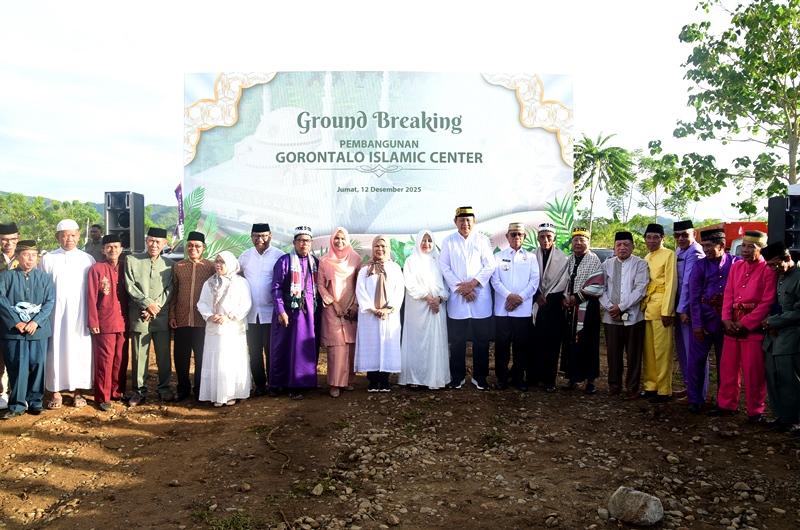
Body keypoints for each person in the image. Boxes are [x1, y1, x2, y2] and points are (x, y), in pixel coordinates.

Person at [709, 230, 776, 423]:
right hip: (731, 324)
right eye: (744, 246)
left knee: (754, 371)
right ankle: (726, 405)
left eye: (750, 247)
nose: (745, 250)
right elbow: (728, 294)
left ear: (761, 249)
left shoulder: (768, 270)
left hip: (753, 327)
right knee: (728, 367)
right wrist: (726, 319)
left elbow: (767, 301)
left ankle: (755, 410)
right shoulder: (736, 266)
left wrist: (745, 323)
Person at [37, 219, 95, 408]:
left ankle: (78, 392)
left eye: (72, 235)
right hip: (56, 315)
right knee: (56, 350)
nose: (69, 239)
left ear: (78, 235)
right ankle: (56, 392)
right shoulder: (48, 259)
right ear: (57, 237)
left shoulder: (87, 259)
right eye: (64, 235)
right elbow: (41, 288)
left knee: (80, 350)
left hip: (80, 314)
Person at [439, 206, 496, 390]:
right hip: (458, 299)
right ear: (455, 221)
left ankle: (480, 377)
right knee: (457, 341)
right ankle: (457, 377)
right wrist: (462, 289)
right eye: (461, 220)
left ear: (474, 221)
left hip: (479, 297)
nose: (465, 223)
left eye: (468, 220)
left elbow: (490, 265)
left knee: (482, 340)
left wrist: (472, 284)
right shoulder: (448, 241)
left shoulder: (482, 240)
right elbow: (444, 267)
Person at [0, 240, 54, 420]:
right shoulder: (5, 277)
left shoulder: (45, 278)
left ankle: (35, 402)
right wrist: (16, 322)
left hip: (37, 330)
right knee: (17, 366)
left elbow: (49, 302)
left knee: (38, 365)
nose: (30, 259)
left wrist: (35, 322)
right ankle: (16, 405)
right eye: (26, 255)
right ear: (17, 256)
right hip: (14, 331)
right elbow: (1, 301)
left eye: (33, 255)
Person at [686, 228, 738, 414]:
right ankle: (695, 399)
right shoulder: (700, 266)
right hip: (704, 320)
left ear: (721, 245)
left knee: (727, 363)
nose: (705, 250)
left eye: (709, 246)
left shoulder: (736, 263)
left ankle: (725, 402)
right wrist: (697, 325)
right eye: (703, 246)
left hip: (728, 322)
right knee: (696, 361)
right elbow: (694, 297)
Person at [125, 227, 174, 406]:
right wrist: (147, 304)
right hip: (140, 315)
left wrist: (155, 307)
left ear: (164, 244)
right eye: (151, 240)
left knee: (163, 355)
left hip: (161, 316)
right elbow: (130, 285)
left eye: (158, 242)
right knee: (139, 355)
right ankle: (139, 391)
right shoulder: (132, 260)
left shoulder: (170, 264)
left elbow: (169, 288)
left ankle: (164, 388)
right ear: (146, 241)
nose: (154, 244)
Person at [197, 251, 252, 407]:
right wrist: (210, 315)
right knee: (216, 360)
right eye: (217, 261)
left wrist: (229, 317)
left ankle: (231, 394)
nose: (218, 265)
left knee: (230, 360)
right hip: (214, 328)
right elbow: (201, 302)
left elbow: (246, 303)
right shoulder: (209, 282)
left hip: (232, 328)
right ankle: (216, 394)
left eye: (222, 262)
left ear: (230, 264)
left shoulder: (240, 282)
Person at [269, 226, 319, 400]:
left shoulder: (315, 262)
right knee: (287, 348)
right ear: (294, 242)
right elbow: (276, 288)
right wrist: (281, 311)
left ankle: (304, 382)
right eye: (300, 240)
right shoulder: (284, 261)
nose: (304, 244)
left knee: (305, 348)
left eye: (307, 241)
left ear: (311, 243)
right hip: (289, 313)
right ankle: (287, 384)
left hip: (309, 314)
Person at [598, 231, 649, 398]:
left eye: (626, 244)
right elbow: (600, 288)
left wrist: (621, 307)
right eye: (618, 245)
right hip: (611, 316)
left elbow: (640, 289)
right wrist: (610, 308)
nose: (622, 248)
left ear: (633, 247)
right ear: (614, 247)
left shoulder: (640, 264)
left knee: (634, 354)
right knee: (613, 353)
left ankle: (632, 387)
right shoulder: (606, 265)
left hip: (634, 317)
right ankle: (614, 385)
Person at [490, 222, 540, 391]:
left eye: (520, 234)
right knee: (502, 345)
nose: (516, 237)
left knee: (521, 346)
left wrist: (520, 298)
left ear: (524, 237)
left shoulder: (531, 257)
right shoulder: (498, 256)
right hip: (503, 309)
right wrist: (509, 296)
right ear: (507, 236)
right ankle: (502, 378)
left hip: (522, 310)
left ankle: (518, 377)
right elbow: (495, 280)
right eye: (513, 234)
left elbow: (534, 281)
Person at [399, 230, 450, 390]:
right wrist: (429, 298)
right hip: (418, 308)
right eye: (423, 240)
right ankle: (415, 377)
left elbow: (446, 285)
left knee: (435, 341)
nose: (426, 244)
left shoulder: (438, 262)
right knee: (417, 341)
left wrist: (439, 298)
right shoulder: (411, 261)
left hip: (437, 309)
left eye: (429, 240)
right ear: (418, 242)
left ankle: (434, 377)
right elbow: (410, 284)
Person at [169, 231, 215, 402]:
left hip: (202, 320)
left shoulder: (211, 267)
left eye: (197, 246)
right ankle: (183, 388)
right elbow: (174, 293)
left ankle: (200, 389)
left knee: (201, 356)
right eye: (190, 245)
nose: (193, 248)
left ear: (204, 248)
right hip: (181, 318)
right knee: (181, 356)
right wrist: (172, 315)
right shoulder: (178, 266)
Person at [239, 223, 284, 397]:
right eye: (256, 236)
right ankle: (260, 385)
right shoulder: (245, 256)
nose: (260, 239)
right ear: (251, 237)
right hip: (251, 313)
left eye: (264, 236)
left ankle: (273, 384)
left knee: (271, 350)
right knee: (254, 351)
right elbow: (235, 275)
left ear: (270, 236)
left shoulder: (279, 256)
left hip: (272, 312)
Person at [355, 235, 404, 392]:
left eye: (383, 246)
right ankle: (372, 380)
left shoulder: (395, 268)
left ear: (388, 248)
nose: (380, 249)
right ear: (372, 248)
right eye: (377, 246)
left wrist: (388, 309)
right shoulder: (365, 269)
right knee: (372, 346)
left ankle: (384, 381)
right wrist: (372, 309)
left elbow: (399, 290)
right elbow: (360, 290)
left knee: (387, 344)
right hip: (369, 315)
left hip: (389, 315)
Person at [761, 242, 800, 435]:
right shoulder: (779, 276)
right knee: (773, 377)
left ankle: (793, 419)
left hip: (791, 337)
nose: (773, 268)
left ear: (787, 258)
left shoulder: (798, 277)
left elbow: (798, 311)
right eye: (769, 265)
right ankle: (780, 416)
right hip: (773, 337)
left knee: (789, 380)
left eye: (776, 264)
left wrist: (773, 321)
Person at [86, 234, 129, 411]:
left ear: (121, 249)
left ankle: (117, 391)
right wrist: (93, 321)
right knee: (104, 360)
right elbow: (91, 297)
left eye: (116, 246)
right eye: (109, 247)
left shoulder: (126, 267)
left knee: (121, 358)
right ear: (103, 250)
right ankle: (102, 396)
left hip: (123, 321)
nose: (113, 250)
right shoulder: (96, 269)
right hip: (105, 321)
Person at [318, 227, 361, 397]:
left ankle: (348, 380)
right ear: (332, 240)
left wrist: (355, 304)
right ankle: (335, 383)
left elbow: (360, 283)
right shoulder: (324, 261)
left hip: (351, 307)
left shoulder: (355, 259)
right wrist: (333, 303)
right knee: (336, 347)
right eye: (336, 238)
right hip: (332, 308)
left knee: (350, 345)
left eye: (343, 238)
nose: (340, 241)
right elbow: (321, 285)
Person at [561, 229, 604, 394]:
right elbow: (563, 281)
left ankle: (590, 381)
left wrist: (576, 298)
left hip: (588, 308)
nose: (578, 243)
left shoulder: (594, 260)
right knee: (571, 343)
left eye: (582, 240)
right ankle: (572, 377)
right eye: (575, 240)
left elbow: (597, 284)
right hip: (571, 309)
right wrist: (565, 298)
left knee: (588, 343)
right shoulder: (569, 259)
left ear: (588, 242)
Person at [640, 223, 677, 404]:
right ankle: (650, 385)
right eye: (649, 237)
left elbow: (671, 283)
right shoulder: (647, 256)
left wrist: (667, 311)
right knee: (648, 350)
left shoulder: (669, 254)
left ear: (663, 239)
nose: (652, 241)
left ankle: (664, 389)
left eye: (656, 237)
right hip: (648, 306)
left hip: (662, 306)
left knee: (662, 350)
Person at [531, 223, 569, 393]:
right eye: (542, 237)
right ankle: (534, 376)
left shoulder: (563, 258)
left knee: (552, 344)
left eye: (549, 237)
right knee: (535, 343)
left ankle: (549, 380)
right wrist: (537, 295)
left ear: (554, 238)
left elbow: (563, 282)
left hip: (553, 307)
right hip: (536, 305)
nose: (545, 240)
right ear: (538, 238)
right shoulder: (532, 256)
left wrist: (550, 299)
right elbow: (529, 278)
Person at [673, 220, 704, 399]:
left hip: (690, 309)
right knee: (683, 350)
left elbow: (688, 283)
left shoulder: (696, 252)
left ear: (694, 234)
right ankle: (689, 386)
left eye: (685, 235)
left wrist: (682, 310)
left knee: (693, 351)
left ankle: (697, 392)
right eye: (677, 235)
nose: (681, 239)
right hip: (679, 307)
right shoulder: (679, 251)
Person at [0, 221, 21, 410]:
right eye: (4, 239)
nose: (8, 243)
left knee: (17, 356)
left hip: (19, 316)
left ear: (18, 238)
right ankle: (2, 393)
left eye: (12, 239)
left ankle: (19, 392)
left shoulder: (26, 258)